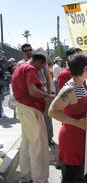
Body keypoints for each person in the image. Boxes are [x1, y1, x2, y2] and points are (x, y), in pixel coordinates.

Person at [48, 52, 87, 183]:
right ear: (84, 68)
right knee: (70, 176)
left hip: (81, 136)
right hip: (72, 140)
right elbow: (52, 111)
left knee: (81, 174)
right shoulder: (70, 89)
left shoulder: (80, 84)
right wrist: (76, 122)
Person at [12, 53, 54, 183]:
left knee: (27, 143)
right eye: (42, 66)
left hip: (23, 108)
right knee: (38, 144)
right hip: (30, 109)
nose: (42, 69)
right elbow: (32, 91)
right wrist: (48, 96)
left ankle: (27, 175)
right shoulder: (30, 69)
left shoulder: (20, 67)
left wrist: (39, 87)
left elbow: (28, 88)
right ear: (39, 62)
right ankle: (39, 179)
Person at [0, 52, 11, 118]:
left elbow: (4, 74)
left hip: (1, 85)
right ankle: (1, 113)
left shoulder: (1, 67)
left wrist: (6, 77)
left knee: (1, 98)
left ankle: (1, 113)